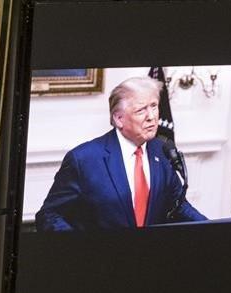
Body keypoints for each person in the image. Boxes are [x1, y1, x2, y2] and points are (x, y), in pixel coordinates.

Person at [35, 76, 207, 232]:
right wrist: (82, 250)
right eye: (141, 110)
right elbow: (49, 215)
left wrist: (212, 230)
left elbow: (179, 205)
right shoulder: (84, 159)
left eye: (154, 106)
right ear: (118, 119)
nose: (152, 117)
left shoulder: (161, 151)